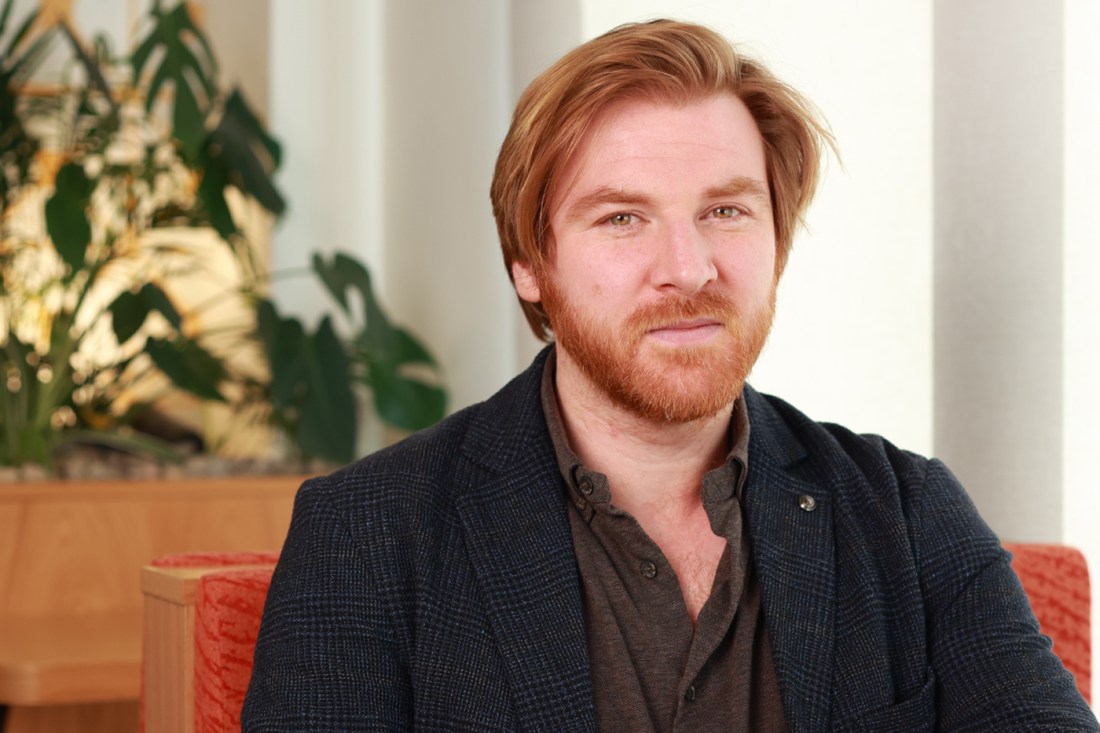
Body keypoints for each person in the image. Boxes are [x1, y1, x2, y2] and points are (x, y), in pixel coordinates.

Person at [242, 19, 1099, 732]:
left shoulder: (909, 516)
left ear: (778, 241)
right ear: (528, 264)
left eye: (726, 210)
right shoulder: (366, 534)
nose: (688, 268)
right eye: (622, 218)